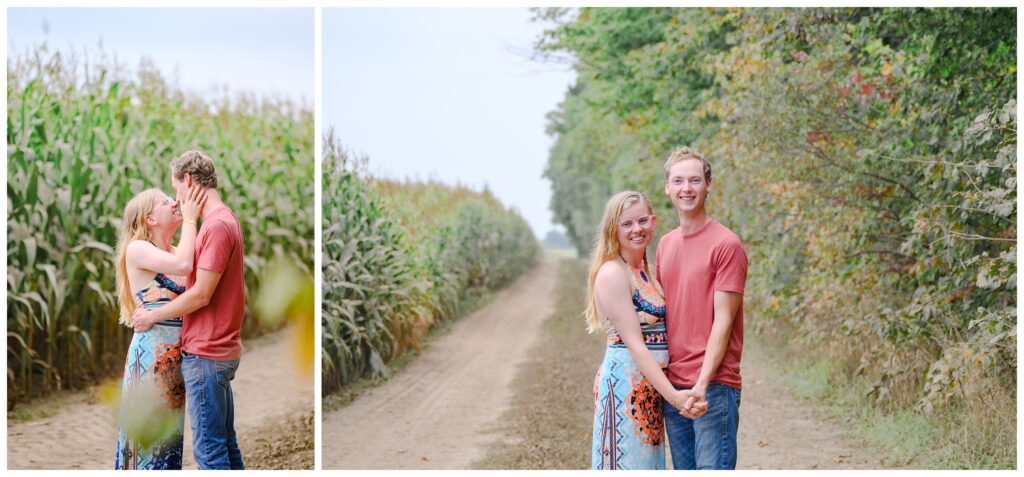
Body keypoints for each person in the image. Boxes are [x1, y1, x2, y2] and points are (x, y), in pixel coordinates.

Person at [133, 150, 247, 470]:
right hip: (217, 352)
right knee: (226, 445)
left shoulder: (217, 226)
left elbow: (200, 296)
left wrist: (152, 315)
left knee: (210, 453)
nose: (176, 198)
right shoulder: (221, 222)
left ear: (187, 180)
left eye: (176, 189)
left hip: (206, 354)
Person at [588, 190, 708, 470]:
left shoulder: (646, 272)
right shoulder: (612, 273)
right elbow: (637, 346)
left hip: (650, 392)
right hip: (626, 390)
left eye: (642, 221)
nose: (636, 229)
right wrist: (675, 396)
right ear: (613, 229)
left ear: (653, 222)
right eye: (626, 224)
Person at [657, 147, 748, 470]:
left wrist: (702, 383)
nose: (687, 189)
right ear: (667, 187)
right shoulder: (665, 244)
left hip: (714, 387)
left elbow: (723, 321)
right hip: (675, 392)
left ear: (708, 184)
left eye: (695, 180)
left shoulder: (726, 245)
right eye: (678, 181)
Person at [114, 185, 206, 470]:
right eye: (165, 201)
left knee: (168, 445)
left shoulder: (177, 250)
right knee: (147, 445)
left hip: (176, 362)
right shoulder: (139, 249)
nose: (175, 202)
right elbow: (183, 265)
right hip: (152, 357)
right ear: (149, 219)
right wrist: (191, 220)